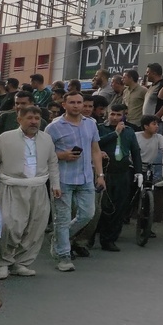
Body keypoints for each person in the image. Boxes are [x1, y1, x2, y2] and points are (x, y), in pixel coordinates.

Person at [0, 106, 61, 279]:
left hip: (38, 188)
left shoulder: (46, 139)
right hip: (11, 187)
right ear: (19, 119)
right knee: (9, 225)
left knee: (35, 227)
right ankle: (1, 263)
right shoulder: (5, 138)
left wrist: (56, 185)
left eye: (37, 118)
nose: (34, 121)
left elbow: (53, 162)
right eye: (29, 118)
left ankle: (21, 262)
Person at [45, 92, 105, 272]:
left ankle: (58, 239)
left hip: (86, 177)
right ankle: (63, 255)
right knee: (62, 219)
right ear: (64, 104)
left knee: (88, 214)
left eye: (79, 102)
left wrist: (100, 174)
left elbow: (95, 150)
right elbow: (45, 154)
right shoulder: (53, 127)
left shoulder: (91, 124)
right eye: (72, 102)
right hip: (62, 178)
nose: (77, 106)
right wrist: (62, 155)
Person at [96, 102, 142, 252]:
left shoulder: (129, 131)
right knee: (103, 207)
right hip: (105, 173)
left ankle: (110, 239)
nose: (115, 117)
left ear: (124, 115)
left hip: (122, 173)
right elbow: (97, 144)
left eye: (118, 115)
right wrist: (115, 133)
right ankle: (94, 235)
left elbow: (135, 152)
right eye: (112, 114)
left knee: (119, 207)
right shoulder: (101, 128)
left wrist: (138, 171)